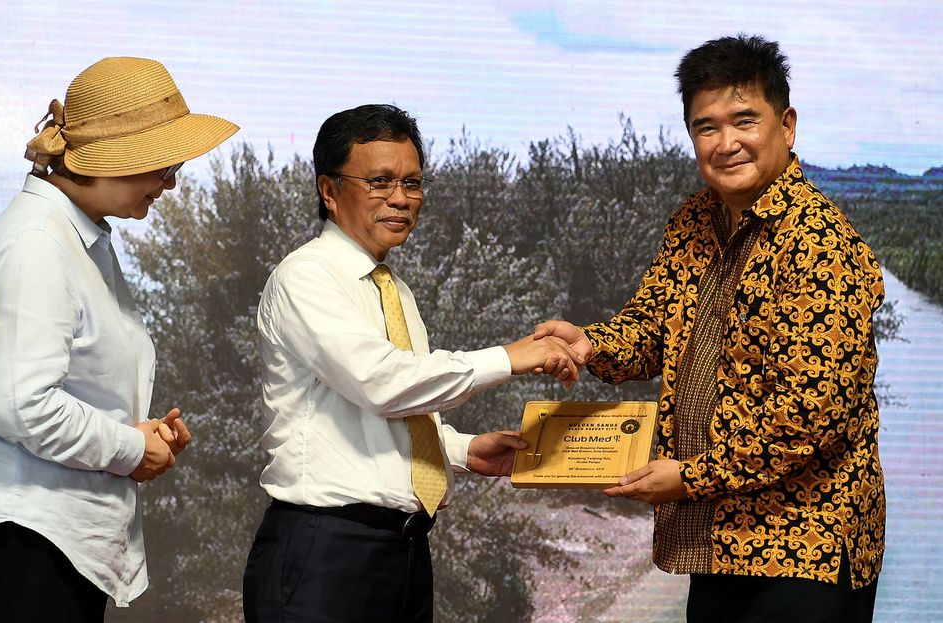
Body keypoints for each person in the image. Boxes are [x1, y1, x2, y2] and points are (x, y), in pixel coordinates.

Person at [536, 35, 885, 623]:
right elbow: (652, 325)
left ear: (787, 125)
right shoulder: (696, 219)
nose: (726, 144)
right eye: (706, 127)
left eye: (744, 120)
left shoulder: (821, 246)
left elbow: (808, 419)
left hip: (805, 551)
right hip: (721, 545)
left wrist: (691, 477)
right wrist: (592, 344)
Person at [242, 103, 583, 622]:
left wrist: (465, 451)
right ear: (329, 191)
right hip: (325, 552)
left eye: (413, 182)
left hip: (400, 552)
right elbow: (382, 384)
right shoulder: (305, 277)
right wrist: (509, 358)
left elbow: (385, 416)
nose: (400, 199)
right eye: (379, 182)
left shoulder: (393, 288)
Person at [0, 57, 238, 621]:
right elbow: (22, 405)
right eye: (164, 163)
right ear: (115, 157)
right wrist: (130, 449)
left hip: (37, 538)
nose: (171, 182)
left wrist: (131, 435)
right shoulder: (40, 242)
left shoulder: (71, 238)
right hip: (22, 539)